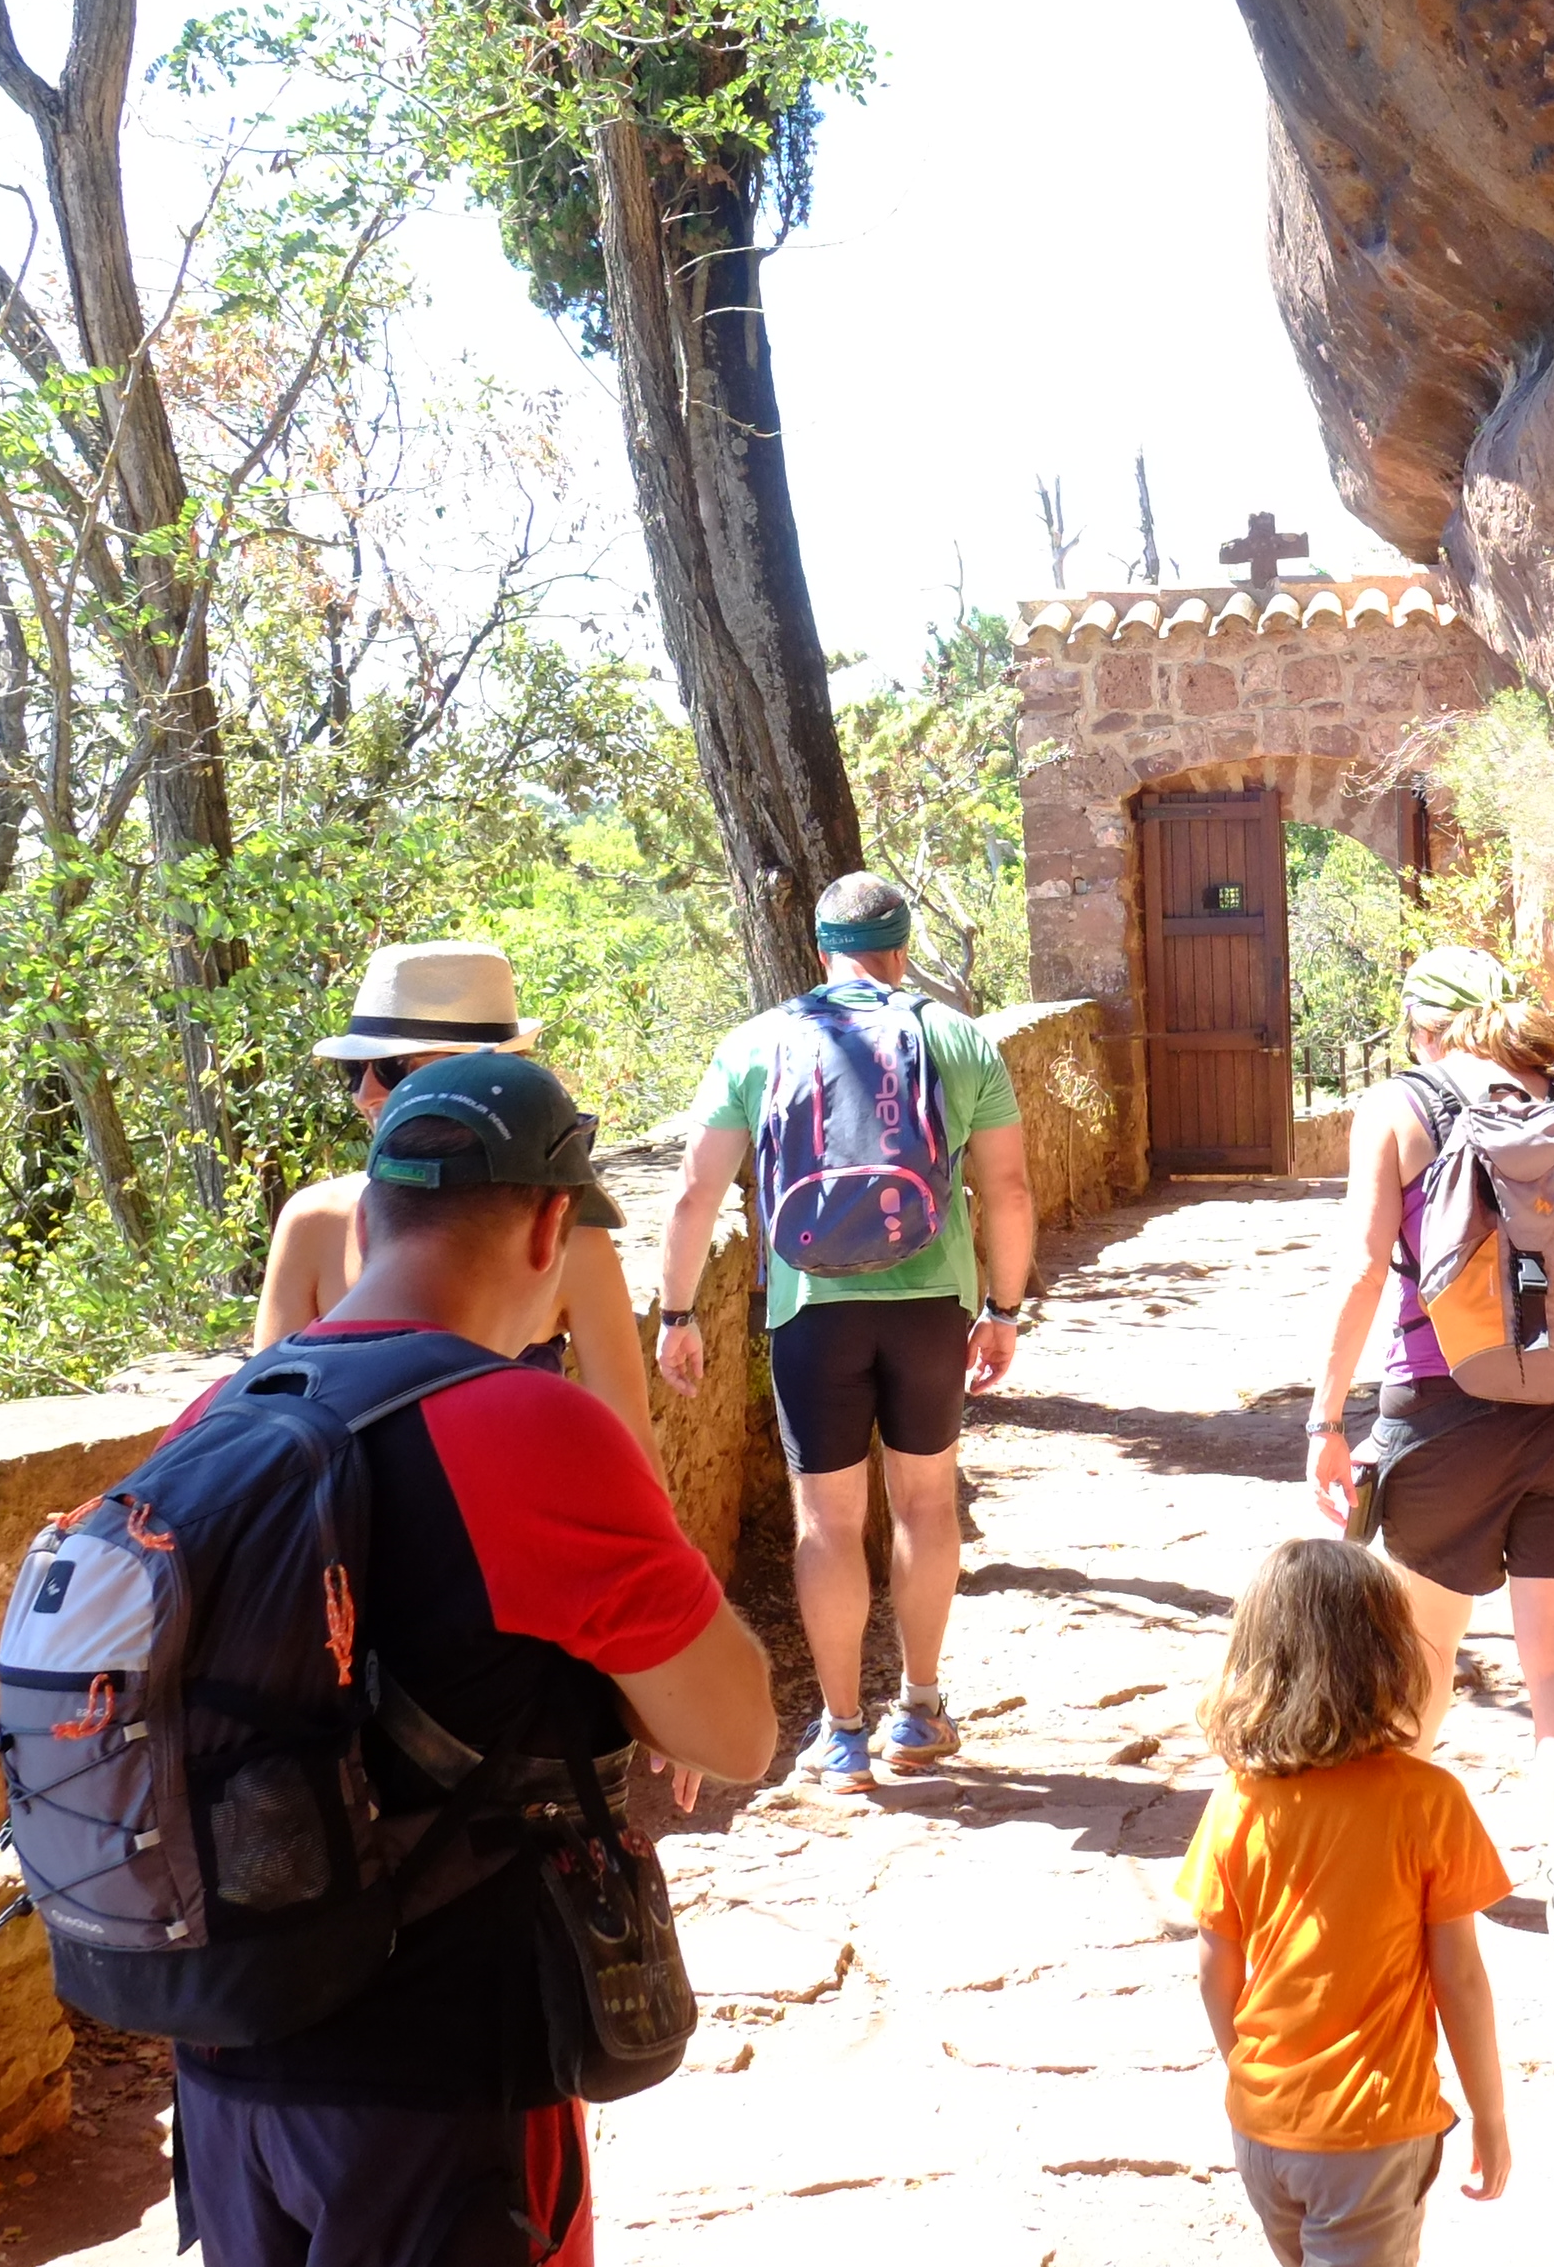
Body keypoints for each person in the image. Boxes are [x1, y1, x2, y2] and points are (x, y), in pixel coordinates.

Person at [167, 1052, 776, 2267]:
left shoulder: (218, 1419)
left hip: (230, 2062)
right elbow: (737, 1731)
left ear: (370, 1215)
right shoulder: (522, 1427)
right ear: (553, 1225)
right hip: (443, 2070)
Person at [1302, 942, 1554, 1995]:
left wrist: (1326, 1415)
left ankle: (1397, 1884)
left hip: (1439, 1404)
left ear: (1423, 1024)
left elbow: (1366, 1270)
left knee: (1419, 1659)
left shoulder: (1398, 1109)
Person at [654, 872, 1034, 1788]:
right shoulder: (955, 1037)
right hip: (932, 1306)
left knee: (827, 1524)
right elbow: (1009, 1190)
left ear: (820, 947)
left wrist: (674, 1312)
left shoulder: (759, 1041)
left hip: (811, 1309)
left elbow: (694, 1191)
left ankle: (841, 1732)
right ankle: (921, 1708)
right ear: (902, 945)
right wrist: (1005, 1310)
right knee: (926, 1506)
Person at [1176, 1538, 1516, 2266]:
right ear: (1390, 1658)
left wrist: (1248, 2072)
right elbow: (1459, 1979)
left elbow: (1213, 1968)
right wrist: (1489, 2114)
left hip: (1263, 2129)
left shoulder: (1239, 1801)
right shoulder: (1428, 1802)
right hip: (1372, 2129)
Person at [256, 940, 653, 1464]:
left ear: (488, 1075)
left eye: (395, 1066)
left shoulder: (574, 1238)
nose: (364, 1094)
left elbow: (631, 1452)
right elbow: (268, 1434)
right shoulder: (312, 1220)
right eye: (355, 1072)